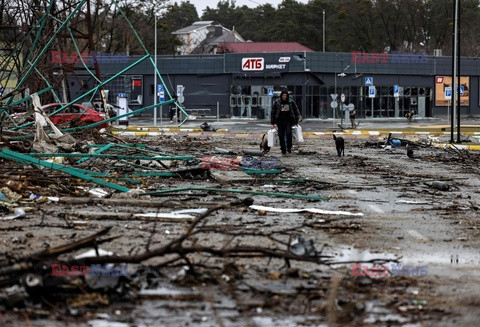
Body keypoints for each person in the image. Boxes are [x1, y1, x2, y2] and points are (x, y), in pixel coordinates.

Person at [271, 90, 302, 155]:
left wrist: (298, 118)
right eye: (283, 95)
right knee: (281, 135)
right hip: (280, 121)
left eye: (285, 95)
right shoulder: (277, 102)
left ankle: (289, 148)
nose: (284, 97)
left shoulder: (290, 101)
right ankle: (283, 149)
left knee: (288, 134)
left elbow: (296, 110)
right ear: (281, 96)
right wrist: (272, 123)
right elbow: (273, 112)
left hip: (288, 120)